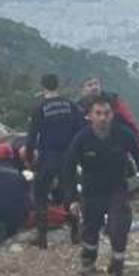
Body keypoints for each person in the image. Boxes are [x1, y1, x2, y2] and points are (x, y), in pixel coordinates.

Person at [63, 94, 139, 276]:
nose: (103, 117)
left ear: (113, 114)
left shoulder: (123, 134)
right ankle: (88, 260)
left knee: (119, 227)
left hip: (117, 190)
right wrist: (72, 198)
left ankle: (117, 269)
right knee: (90, 229)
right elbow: (68, 168)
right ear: (90, 116)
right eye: (98, 113)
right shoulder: (82, 138)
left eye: (107, 113)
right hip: (91, 191)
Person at [26, 74, 83, 249]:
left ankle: (42, 237)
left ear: (43, 86)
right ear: (58, 86)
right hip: (68, 155)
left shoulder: (40, 108)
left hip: (47, 156)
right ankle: (75, 232)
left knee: (41, 194)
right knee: (70, 193)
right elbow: (80, 129)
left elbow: (32, 137)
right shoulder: (70, 105)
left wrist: (30, 159)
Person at [79, 77, 139, 153]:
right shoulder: (79, 108)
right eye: (90, 85)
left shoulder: (113, 100)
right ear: (82, 90)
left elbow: (130, 121)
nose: (94, 87)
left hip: (117, 141)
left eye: (96, 84)